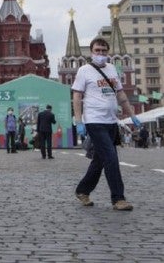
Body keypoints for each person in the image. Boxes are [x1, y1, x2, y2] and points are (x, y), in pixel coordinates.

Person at [73, 37, 143, 211]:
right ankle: (118, 199)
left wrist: (132, 115)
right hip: (95, 122)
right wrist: (79, 120)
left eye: (104, 51)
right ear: (92, 52)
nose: (101, 54)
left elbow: (120, 94)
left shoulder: (112, 69)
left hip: (111, 121)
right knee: (111, 158)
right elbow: (77, 96)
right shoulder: (84, 70)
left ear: (108, 52)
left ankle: (83, 190)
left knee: (100, 160)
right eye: (97, 51)